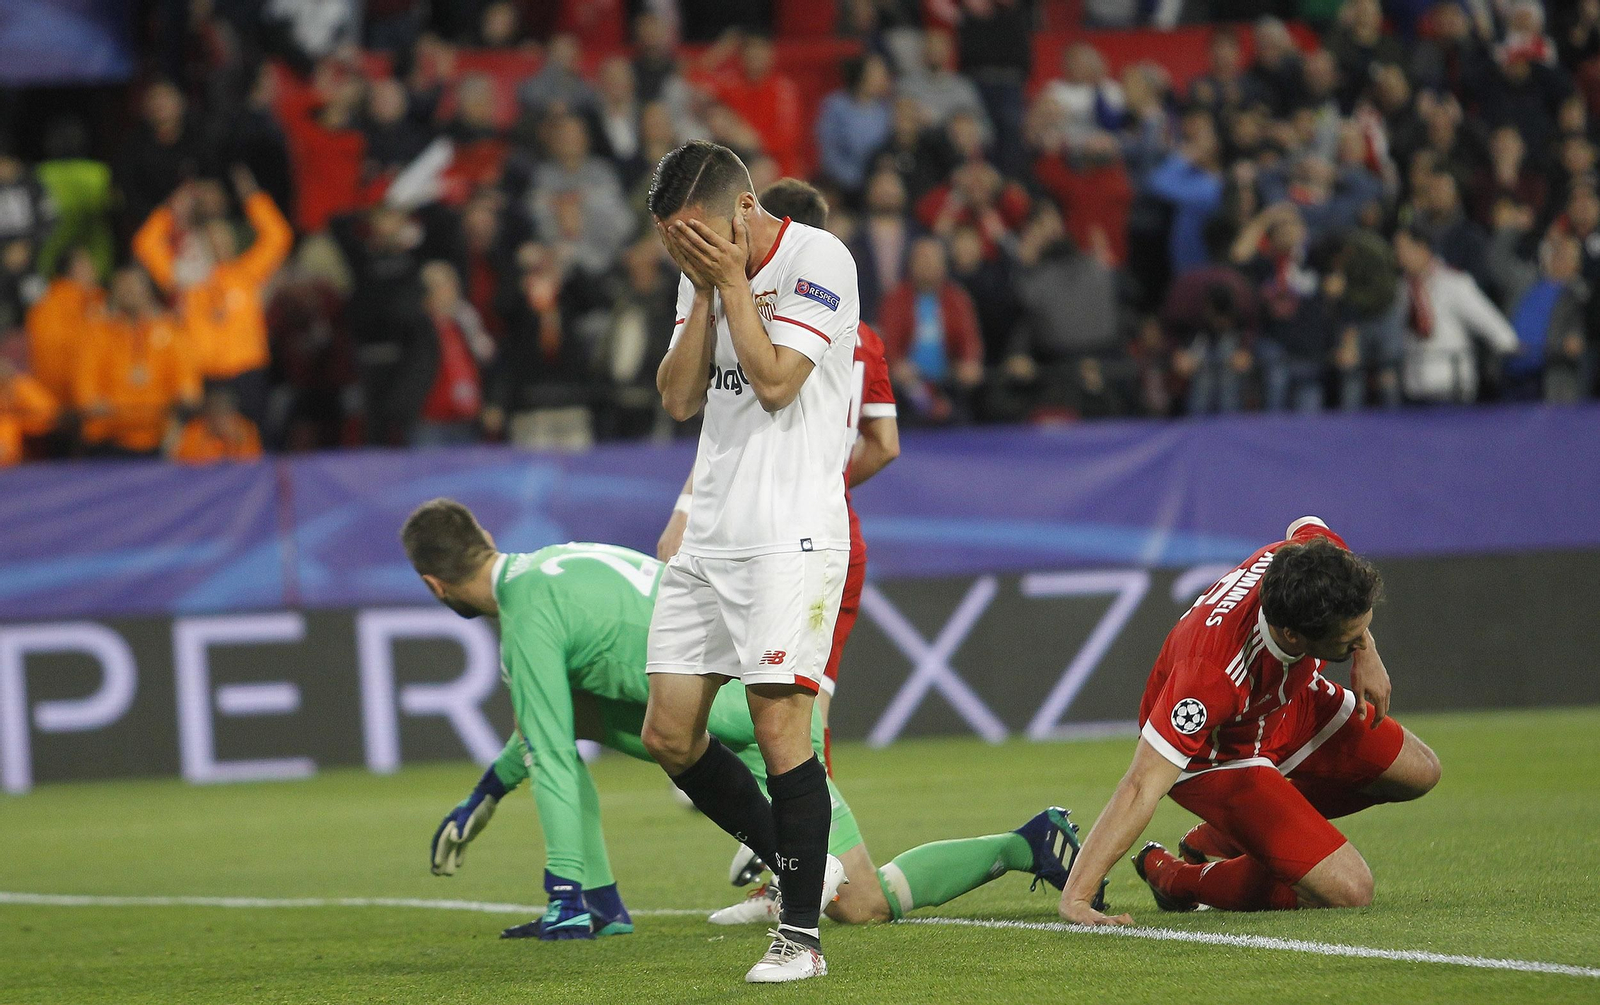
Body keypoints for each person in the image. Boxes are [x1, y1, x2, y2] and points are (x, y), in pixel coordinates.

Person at [404, 501, 1089, 942]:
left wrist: (560, 893)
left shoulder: (527, 618)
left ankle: (1024, 844)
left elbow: (551, 752)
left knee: (863, 905)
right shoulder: (556, 570)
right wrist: (487, 792)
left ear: (434, 587)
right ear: (487, 537)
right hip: (755, 704)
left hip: (757, 733)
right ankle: (606, 900)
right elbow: (562, 724)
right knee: (863, 900)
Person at [644, 140, 856, 982]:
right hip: (713, 531)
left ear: (741, 209)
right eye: (670, 241)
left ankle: (799, 939)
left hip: (791, 530)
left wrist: (730, 283)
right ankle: (811, 863)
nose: (680, 251)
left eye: (691, 236)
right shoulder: (698, 272)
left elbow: (773, 380)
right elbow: (678, 396)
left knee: (778, 730)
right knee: (668, 732)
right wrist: (702, 286)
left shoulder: (819, 259)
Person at [1058, 517, 1442, 926]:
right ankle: (1176, 878)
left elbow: (1307, 523)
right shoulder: (1209, 676)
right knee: (1350, 890)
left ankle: (1219, 838)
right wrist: (1077, 898)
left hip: (1288, 703)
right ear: (1293, 635)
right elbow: (1139, 786)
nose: (1359, 640)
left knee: (1420, 771)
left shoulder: (1302, 562)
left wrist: (1367, 652)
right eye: (1350, 638)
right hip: (1219, 756)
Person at [657, 178, 899, 775]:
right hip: (801, 515)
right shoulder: (864, 338)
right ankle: (802, 852)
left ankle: (816, 857)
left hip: (796, 531)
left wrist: (685, 509)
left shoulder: (792, 293)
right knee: (800, 712)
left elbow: (765, 394)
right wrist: (831, 479)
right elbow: (885, 444)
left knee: (789, 720)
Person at [132, 165, 292, 431]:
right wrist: (173, 207)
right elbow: (145, 244)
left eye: (224, 236)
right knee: (200, 449)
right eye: (212, 238)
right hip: (202, 376)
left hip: (246, 373)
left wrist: (252, 198)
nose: (219, 242)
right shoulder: (186, 278)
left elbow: (279, 236)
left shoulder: (247, 273)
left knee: (251, 444)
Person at [1393, 226, 1519, 403]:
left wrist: (1509, 346)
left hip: (1451, 385)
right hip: (1415, 388)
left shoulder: (1453, 283)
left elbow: (1487, 319)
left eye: (1402, 249)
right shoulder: (1402, 291)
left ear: (1421, 248)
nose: (1398, 256)